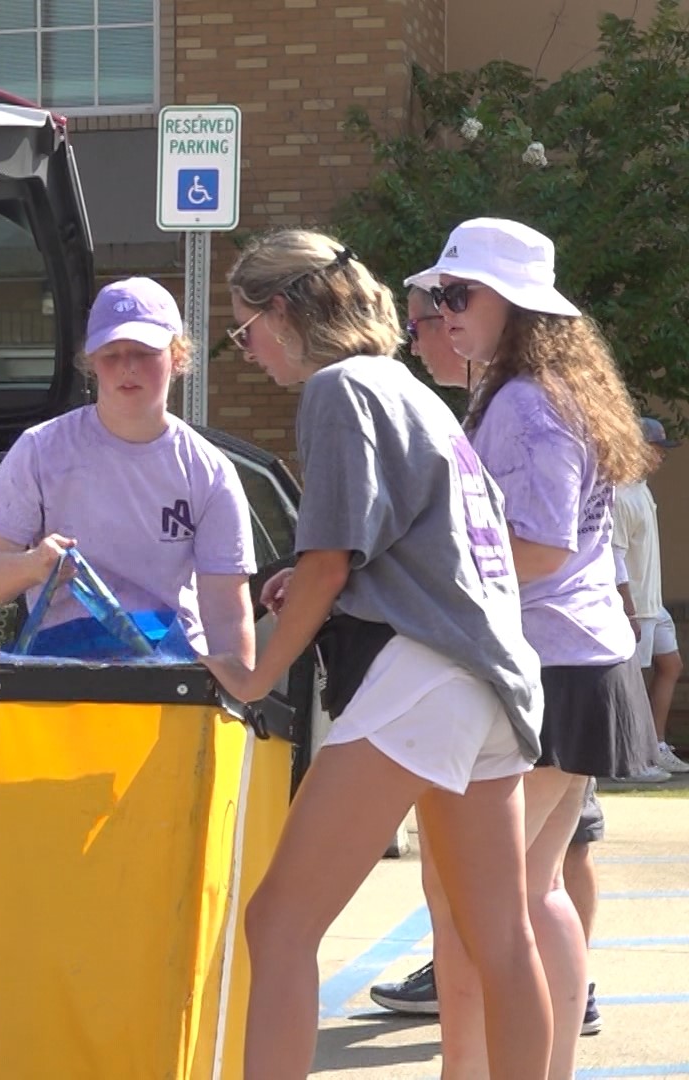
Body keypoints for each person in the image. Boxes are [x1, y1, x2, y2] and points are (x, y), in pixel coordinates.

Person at [204, 229, 552, 1079]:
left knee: (277, 924)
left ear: (283, 313)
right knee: (499, 940)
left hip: (424, 673)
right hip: (492, 678)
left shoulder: (337, 390)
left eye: (243, 331)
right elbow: (395, 551)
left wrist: (253, 673)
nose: (247, 354)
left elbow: (329, 563)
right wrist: (319, 579)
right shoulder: (413, 390)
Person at [396, 216, 653, 1075]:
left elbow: (535, 546)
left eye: (458, 293)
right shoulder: (551, 391)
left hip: (547, 666)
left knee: (482, 909)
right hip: (582, 661)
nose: (445, 309)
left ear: (515, 305)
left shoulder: (524, 401)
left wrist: (422, 565)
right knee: (534, 894)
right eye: (441, 295)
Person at [0, 276, 256, 666]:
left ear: (177, 355)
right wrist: (35, 564)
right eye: (111, 354)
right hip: (60, 678)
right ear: (91, 363)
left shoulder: (208, 468)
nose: (127, 367)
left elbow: (227, 611)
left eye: (143, 351)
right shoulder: (40, 449)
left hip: (167, 677)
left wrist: (236, 704)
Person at [618, 417, 685, 774]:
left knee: (670, 665)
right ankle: (636, 757)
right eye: (657, 449)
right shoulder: (620, 494)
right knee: (635, 680)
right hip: (637, 606)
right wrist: (628, 611)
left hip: (652, 603)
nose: (661, 457)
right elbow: (615, 557)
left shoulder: (642, 488)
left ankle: (656, 745)